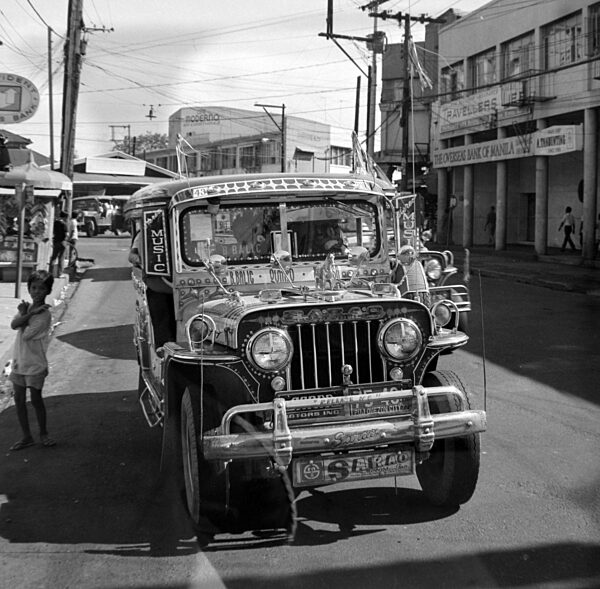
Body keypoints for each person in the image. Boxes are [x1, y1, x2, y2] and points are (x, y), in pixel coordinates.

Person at [8, 270, 56, 450]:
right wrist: (27, 313)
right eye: (33, 287)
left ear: (48, 291)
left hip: (35, 364)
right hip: (19, 362)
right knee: (19, 400)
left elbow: (27, 334)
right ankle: (26, 436)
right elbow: (13, 325)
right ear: (28, 288)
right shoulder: (26, 308)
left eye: (41, 288)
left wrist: (26, 315)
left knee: (36, 400)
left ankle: (43, 433)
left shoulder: (44, 315)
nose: (36, 292)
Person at [49, 211, 68, 277]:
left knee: (53, 257)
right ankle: (60, 273)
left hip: (56, 241)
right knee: (61, 258)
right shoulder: (64, 224)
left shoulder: (55, 223)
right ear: (65, 217)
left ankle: (50, 273)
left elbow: (53, 231)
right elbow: (66, 234)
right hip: (62, 242)